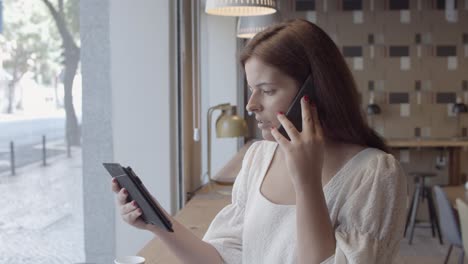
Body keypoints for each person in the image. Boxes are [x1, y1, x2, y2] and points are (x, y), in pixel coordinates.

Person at [111, 19, 407, 264]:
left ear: (315, 91)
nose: (251, 104)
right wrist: (157, 222)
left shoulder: (375, 173)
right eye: (251, 89)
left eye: (266, 90)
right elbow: (221, 258)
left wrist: (306, 182)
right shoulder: (258, 158)